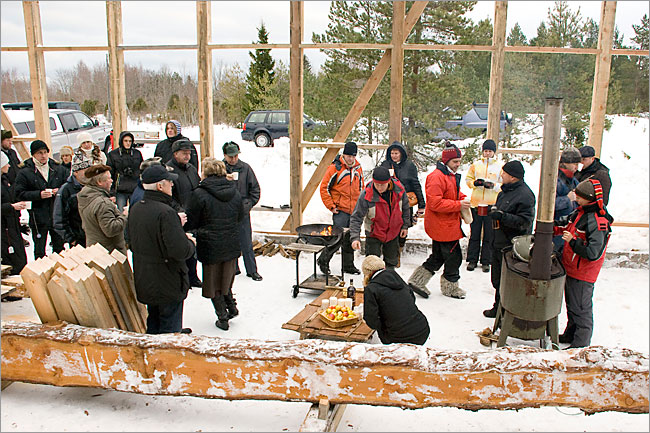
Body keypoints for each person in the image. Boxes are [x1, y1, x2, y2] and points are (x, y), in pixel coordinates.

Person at [128, 165, 196, 334]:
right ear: (160, 186)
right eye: (169, 182)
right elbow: (180, 251)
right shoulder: (166, 213)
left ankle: (153, 347)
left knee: (154, 320)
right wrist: (189, 242)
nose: (172, 185)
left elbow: (132, 240)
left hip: (146, 278)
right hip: (167, 281)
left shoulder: (136, 208)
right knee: (169, 329)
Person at [185, 158, 244, 331]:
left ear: (205, 172)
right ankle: (232, 307)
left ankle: (222, 317)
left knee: (212, 283)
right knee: (226, 279)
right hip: (231, 242)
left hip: (210, 244)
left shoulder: (199, 194)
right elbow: (240, 216)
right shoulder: (234, 191)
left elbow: (192, 220)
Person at [554, 179, 613, 348]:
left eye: (579, 196)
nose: (576, 198)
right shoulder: (580, 212)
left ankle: (581, 343)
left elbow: (593, 253)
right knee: (572, 305)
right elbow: (567, 225)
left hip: (583, 272)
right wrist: (550, 227)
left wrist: (573, 242)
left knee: (581, 308)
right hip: (572, 267)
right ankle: (571, 334)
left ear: (588, 198)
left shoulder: (598, 221)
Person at [407, 141, 470, 300]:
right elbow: (435, 203)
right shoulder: (437, 177)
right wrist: (458, 205)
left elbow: (453, 193)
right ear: (446, 161)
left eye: (459, 161)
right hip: (443, 225)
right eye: (455, 161)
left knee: (438, 256)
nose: (458, 164)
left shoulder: (449, 175)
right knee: (454, 257)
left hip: (445, 224)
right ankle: (450, 287)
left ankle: (417, 281)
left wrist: (462, 198)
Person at [482, 160, 536, 318]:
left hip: (510, 245)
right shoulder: (504, 191)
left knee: (508, 281)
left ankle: (507, 311)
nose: (501, 175)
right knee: (497, 279)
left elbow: (525, 222)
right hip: (498, 242)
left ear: (513, 177)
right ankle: (498, 306)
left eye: (504, 173)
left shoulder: (525, 195)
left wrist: (503, 216)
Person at [14, 139, 68, 259]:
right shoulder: (25, 172)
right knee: (39, 250)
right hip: (38, 216)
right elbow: (19, 193)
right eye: (39, 153)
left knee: (60, 248)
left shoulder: (58, 168)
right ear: (33, 154)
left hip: (56, 214)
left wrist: (59, 191)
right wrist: (39, 195)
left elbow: (67, 186)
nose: (43, 156)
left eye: (45, 152)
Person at [361, 255, 430, 345]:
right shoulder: (395, 277)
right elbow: (411, 297)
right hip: (422, 329)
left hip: (398, 337)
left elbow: (371, 320)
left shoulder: (371, 288)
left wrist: (383, 324)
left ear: (366, 273)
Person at [318, 141, 364, 275]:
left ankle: (348, 265)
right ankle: (323, 261)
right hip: (340, 210)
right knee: (336, 238)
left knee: (351, 238)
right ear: (344, 155)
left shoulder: (358, 168)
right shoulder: (335, 168)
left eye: (353, 156)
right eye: (348, 156)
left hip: (354, 210)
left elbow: (362, 188)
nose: (351, 159)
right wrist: (331, 206)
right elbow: (324, 188)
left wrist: (361, 206)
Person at [349, 166, 409, 268]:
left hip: (393, 232)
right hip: (373, 233)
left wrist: (405, 226)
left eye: (383, 185)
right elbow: (356, 217)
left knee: (391, 263)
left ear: (388, 182)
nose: (380, 188)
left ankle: (389, 277)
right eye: (377, 184)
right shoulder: (366, 195)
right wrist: (355, 237)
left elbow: (406, 208)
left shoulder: (399, 190)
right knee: (372, 265)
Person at [379, 140, 425, 265]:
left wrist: (421, 204)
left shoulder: (409, 166)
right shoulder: (385, 165)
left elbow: (416, 184)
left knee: (403, 228)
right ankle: (389, 254)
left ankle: (398, 252)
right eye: (392, 153)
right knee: (388, 228)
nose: (394, 156)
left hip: (405, 202)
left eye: (396, 153)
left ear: (401, 154)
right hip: (388, 202)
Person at [222, 141, 263, 281]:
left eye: (235, 156)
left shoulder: (245, 168)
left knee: (246, 242)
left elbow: (255, 190)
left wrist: (248, 204)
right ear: (225, 155)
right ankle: (233, 268)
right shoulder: (220, 169)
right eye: (230, 157)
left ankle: (252, 270)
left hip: (242, 211)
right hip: (225, 212)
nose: (233, 159)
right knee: (228, 242)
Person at [167, 138, 202, 287]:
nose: (187, 156)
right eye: (184, 153)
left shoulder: (191, 169)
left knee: (193, 247)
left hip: (193, 215)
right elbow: (168, 197)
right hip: (179, 216)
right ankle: (183, 278)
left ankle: (193, 276)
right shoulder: (169, 171)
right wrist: (179, 210)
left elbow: (198, 187)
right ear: (175, 154)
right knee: (182, 249)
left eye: (189, 153)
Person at [465, 139, 502, 273]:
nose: (487, 153)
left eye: (490, 151)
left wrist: (493, 186)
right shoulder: (476, 165)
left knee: (489, 234)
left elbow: (503, 184)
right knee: (474, 233)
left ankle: (486, 261)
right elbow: (468, 179)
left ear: (494, 152)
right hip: (476, 203)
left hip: (491, 204)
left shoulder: (500, 166)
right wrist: (475, 183)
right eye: (485, 151)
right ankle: (472, 259)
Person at [76, 164, 128, 255]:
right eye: (109, 178)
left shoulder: (85, 197)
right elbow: (111, 230)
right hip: (110, 255)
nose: (112, 181)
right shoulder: (103, 204)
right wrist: (125, 215)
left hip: (94, 251)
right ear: (99, 182)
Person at [53, 154, 92, 248]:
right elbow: (59, 218)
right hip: (78, 240)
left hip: (94, 237)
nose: (88, 173)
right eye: (85, 170)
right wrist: (71, 239)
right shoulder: (66, 190)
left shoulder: (93, 186)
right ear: (76, 172)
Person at [1, 152, 28, 275]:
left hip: (12, 226)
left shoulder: (4, 180)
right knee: (11, 260)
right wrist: (12, 207)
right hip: (4, 230)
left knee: (19, 259)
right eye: (6, 163)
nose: (9, 165)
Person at [106, 131, 143, 211]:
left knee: (137, 211)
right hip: (120, 189)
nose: (128, 143)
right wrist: (111, 193)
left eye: (130, 141)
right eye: (126, 141)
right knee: (121, 212)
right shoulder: (113, 154)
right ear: (121, 141)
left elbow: (141, 170)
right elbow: (110, 174)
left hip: (134, 187)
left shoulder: (137, 153)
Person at [553, 147, 580, 252]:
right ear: (565, 163)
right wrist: (567, 199)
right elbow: (547, 205)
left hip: (570, 230)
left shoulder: (574, 181)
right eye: (574, 164)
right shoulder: (554, 180)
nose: (576, 167)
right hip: (557, 230)